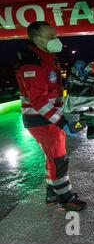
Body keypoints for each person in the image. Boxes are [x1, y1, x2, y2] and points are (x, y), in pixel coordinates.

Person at [15, 21, 87, 212]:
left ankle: (52, 193)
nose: (55, 40)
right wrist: (62, 122)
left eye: (55, 35)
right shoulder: (32, 64)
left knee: (52, 157)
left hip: (49, 119)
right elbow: (38, 101)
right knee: (58, 159)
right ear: (37, 39)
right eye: (50, 37)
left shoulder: (46, 57)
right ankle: (65, 198)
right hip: (42, 121)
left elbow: (54, 89)